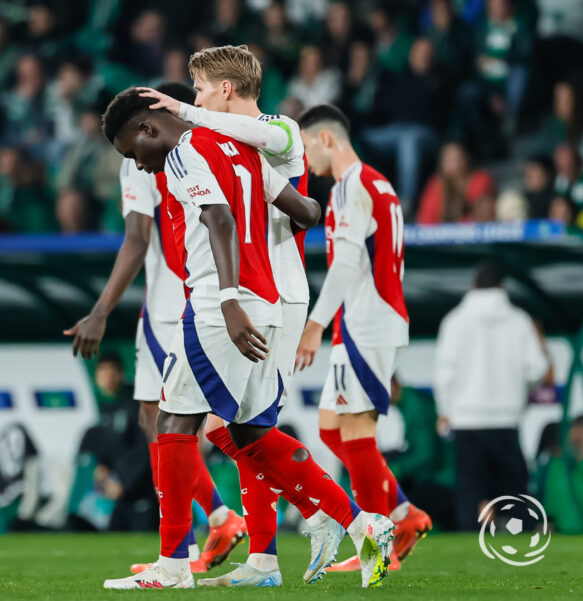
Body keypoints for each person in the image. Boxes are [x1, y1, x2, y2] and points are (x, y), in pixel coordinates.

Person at [100, 88, 393, 591]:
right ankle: (363, 524)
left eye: (132, 153)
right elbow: (305, 210)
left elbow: (219, 220)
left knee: (171, 417)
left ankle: (172, 564)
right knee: (246, 433)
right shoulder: (241, 148)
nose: (140, 167)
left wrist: (230, 299)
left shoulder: (185, 152)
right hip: (274, 298)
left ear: (148, 128)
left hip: (220, 302)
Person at [138, 43, 320, 587]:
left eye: (197, 88)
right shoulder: (223, 145)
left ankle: (336, 516)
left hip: (277, 293)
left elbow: (274, 172)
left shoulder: (278, 128)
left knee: (245, 428)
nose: (191, 99)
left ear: (223, 89)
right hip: (258, 290)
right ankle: (266, 558)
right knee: (235, 428)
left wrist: (182, 113)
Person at [64, 82, 249, 576]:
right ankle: (217, 520)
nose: (135, 161)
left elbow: (136, 237)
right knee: (177, 424)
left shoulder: (151, 157)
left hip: (173, 307)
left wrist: (101, 311)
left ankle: (191, 543)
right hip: (216, 299)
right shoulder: (215, 143)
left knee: (168, 425)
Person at [293, 104, 432, 573]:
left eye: (307, 145)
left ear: (326, 139)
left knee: (356, 435)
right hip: (364, 320)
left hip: (365, 321)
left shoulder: (351, 186)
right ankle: (401, 515)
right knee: (334, 430)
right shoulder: (380, 183)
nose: (305, 158)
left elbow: (347, 263)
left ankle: (377, 551)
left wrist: (314, 325)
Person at [434, 262, 550, 531]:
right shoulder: (519, 320)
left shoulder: (454, 321)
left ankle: (470, 547)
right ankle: (521, 544)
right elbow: (537, 369)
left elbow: (444, 373)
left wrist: (444, 410)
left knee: (471, 493)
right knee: (514, 492)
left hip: (466, 420)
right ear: (502, 287)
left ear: (473, 285)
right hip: (506, 419)